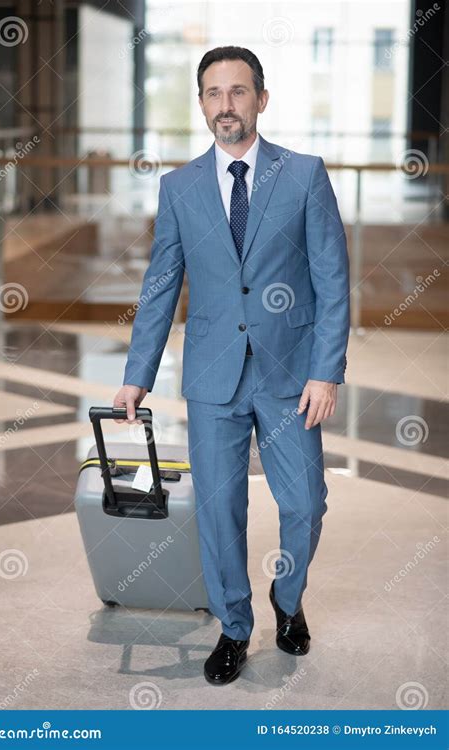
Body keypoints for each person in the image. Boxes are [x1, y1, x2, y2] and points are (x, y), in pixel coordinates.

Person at [114, 46, 350, 685]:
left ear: (261, 100)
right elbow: (161, 285)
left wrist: (326, 370)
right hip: (213, 378)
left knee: (305, 503)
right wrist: (137, 375)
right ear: (201, 104)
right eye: (214, 94)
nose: (226, 105)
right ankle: (234, 627)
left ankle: (288, 599)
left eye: (238, 92)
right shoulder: (180, 187)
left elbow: (332, 278)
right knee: (219, 511)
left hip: (291, 375)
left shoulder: (304, 175)